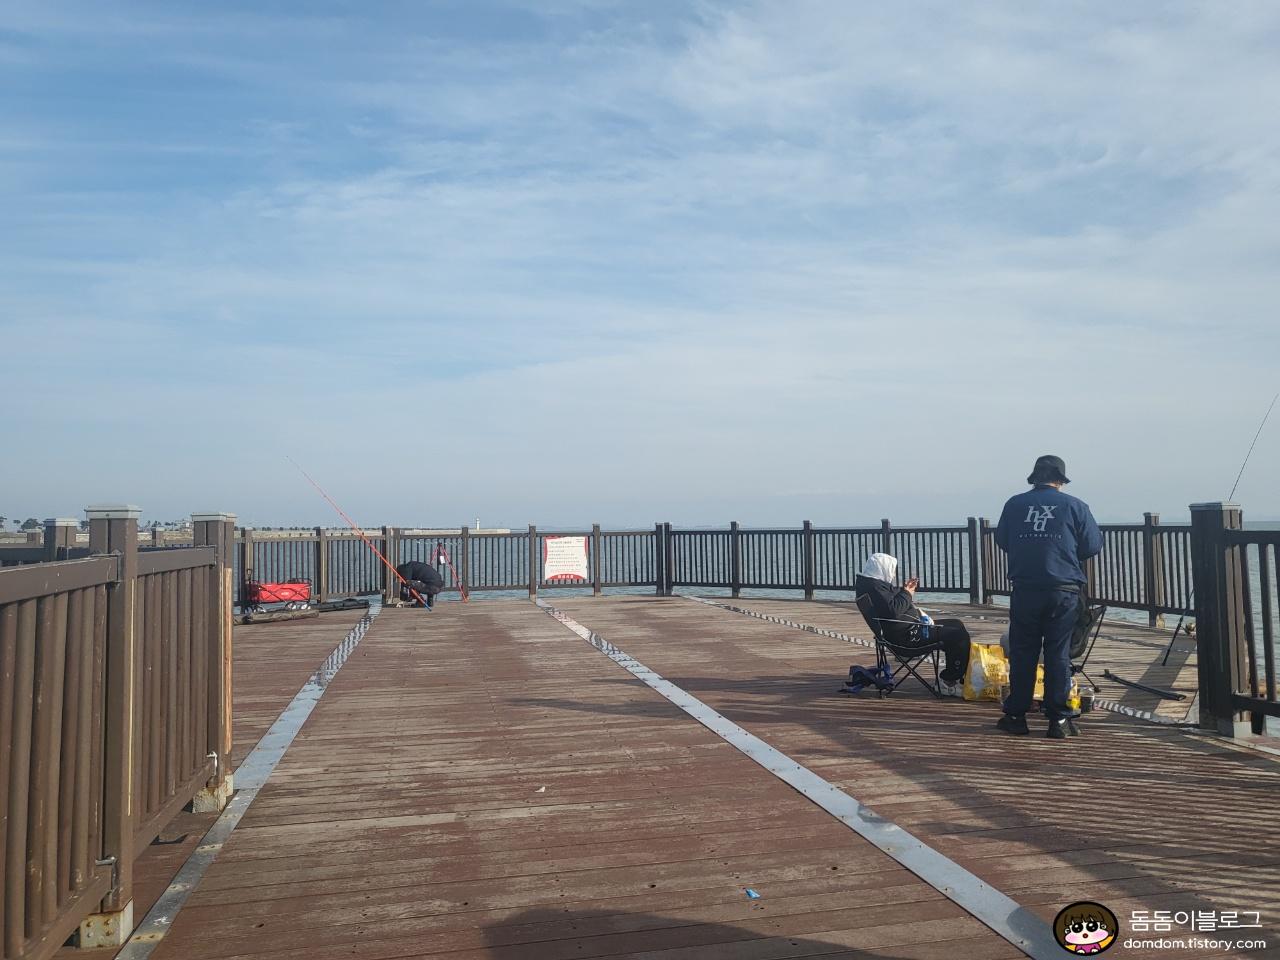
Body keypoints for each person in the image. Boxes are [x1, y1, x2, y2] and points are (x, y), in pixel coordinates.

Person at [994, 454, 1102, 739]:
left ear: (1035, 478)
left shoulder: (1014, 504)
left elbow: (1003, 540)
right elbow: (1092, 545)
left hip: (1025, 587)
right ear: (1060, 480)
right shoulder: (1075, 506)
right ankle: (1059, 721)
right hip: (1063, 589)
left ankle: (1016, 716)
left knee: (1023, 652)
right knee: (1058, 653)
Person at [854, 553, 971, 696]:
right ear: (882, 569)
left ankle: (953, 675)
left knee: (956, 624)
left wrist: (905, 590)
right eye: (891, 570)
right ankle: (949, 681)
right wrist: (907, 593)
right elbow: (894, 610)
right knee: (957, 635)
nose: (893, 574)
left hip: (908, 630)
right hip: (907, 638)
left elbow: (891, 605)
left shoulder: (873, 585)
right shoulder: (876, 588)